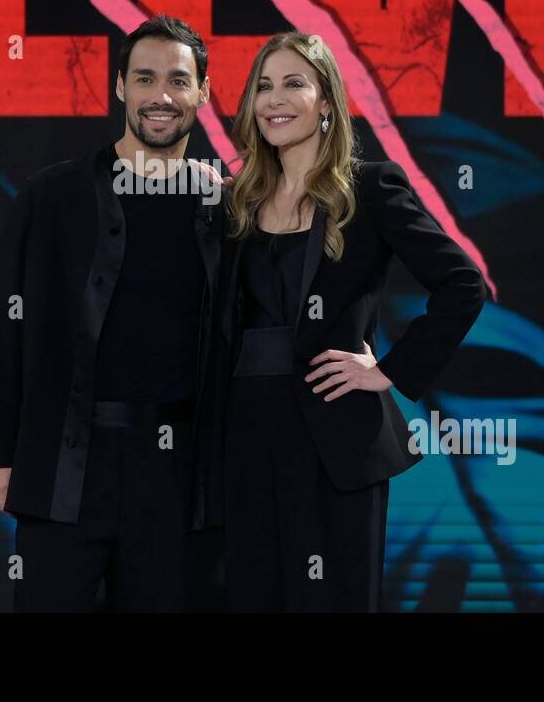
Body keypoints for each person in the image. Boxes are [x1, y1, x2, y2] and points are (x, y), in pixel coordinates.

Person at [197, 30, 487, 612]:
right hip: (244, 435)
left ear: (327, 100)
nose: (275, 99)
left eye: (294, 84)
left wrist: (390, 371)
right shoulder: (236, 202)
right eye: (264, 86)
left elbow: (463, 285)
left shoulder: (370, 188)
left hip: (335, 438)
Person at [0, 14, 227, 612]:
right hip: (63, 464)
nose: (161, 96)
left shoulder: (225, 204)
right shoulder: (52, 195)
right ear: (119, 86)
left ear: (203, 92)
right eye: (144, 78)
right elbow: (0, 325)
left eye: (178, 80)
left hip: (178, 477)